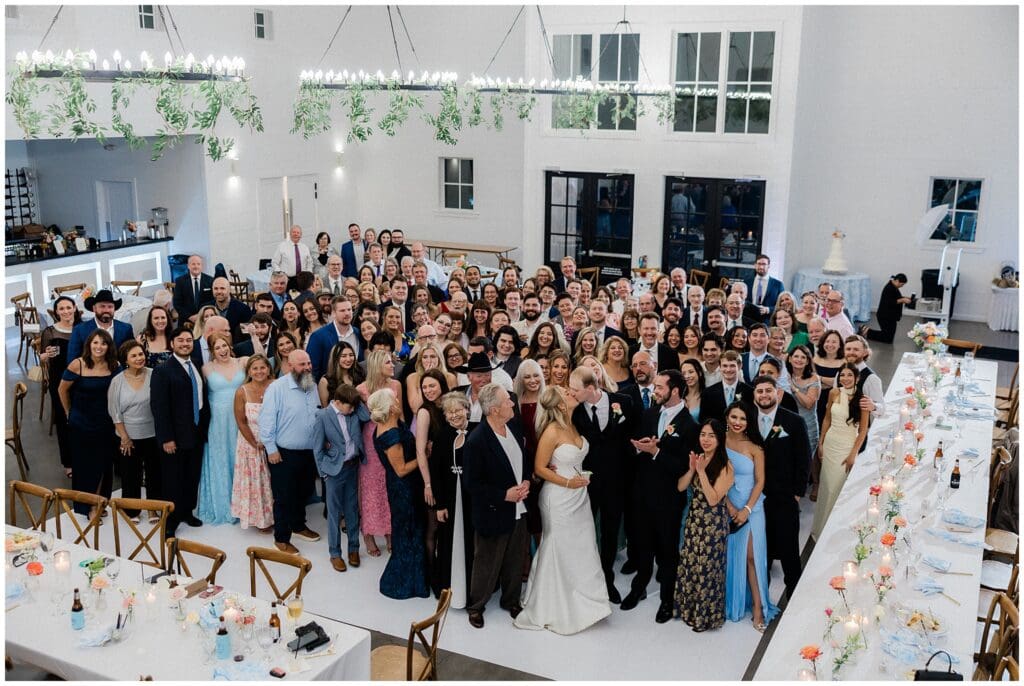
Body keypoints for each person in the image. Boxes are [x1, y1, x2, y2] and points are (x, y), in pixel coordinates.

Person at [514, 384, 611, 634]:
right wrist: (568, 481)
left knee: (583, 546)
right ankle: (553, 604)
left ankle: (588, 601)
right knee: (559, 546)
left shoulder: (573, 423)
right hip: (558, 498)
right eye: (567, 393)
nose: (572, 393)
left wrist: (578, 480)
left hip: (580, 495)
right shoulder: (552, 430)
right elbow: (540, 468)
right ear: (559, 404)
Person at [624, 370, 698, 623]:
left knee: (668, 549)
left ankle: (668, 598)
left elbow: (683, 466)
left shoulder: (690, 425)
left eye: (659, 387)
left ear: (675, 390)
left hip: (668, 498)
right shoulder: (650, 413)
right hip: (642, 491)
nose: (654, 391)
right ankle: (639, 586)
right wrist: (639, 447)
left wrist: (656, 452)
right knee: (642, 543)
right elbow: (636, 445)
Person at [464, 383, 531, 628]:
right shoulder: (477, 441)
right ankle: (476, 606)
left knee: (515, 557)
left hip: (519, 508)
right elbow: (472, 484)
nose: (512, 404)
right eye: (507, 402)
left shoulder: (512, 425)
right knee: (487, 562)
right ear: (493, 410)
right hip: (493, 511)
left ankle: (511, 600)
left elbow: (523, 458)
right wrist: (504, 495)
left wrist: (525, 480)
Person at [569, 366, 634, 604]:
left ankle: (607, 577)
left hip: (617, 482)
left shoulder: (624, 401)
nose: (571, 393)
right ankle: (585, 578)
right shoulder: (575, 412)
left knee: (609, 532)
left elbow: (632, 438)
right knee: (585, 529)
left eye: (575, 390)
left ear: (590, 388)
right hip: (587, 481)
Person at [752, 375, 810, 599]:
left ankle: (794, 598)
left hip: (785, 497)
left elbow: (803, 459)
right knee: (761, 551)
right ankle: (761, 600)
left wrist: (797, 493)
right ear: (754, 395)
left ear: (777, 393)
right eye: (760, 391)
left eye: (768, 390)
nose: (764, 395)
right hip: (757, 498)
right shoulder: (747, 420)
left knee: (789, 552)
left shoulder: (794, 421)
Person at [673, 418, 734, 632]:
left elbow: (714, 499)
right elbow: (681, 487)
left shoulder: (726, 466)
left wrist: (701, 472)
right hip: (694, 520)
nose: (705, 440)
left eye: (711, 435)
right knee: (690, 565)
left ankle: (706, 616)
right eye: (703, 435)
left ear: (720, 439)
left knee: (708, 570)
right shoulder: (699, 459)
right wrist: (692, 469)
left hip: (713, 525)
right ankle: (688, 611)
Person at [368, 387, 430, 599]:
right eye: (394, 399)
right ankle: (407, 582)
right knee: (409, 531)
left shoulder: (389, 425)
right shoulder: (391, 435)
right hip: (404, 489)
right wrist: (425, 457)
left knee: (408, 530)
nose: (398, 400)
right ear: (390, 407)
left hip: (403, 486)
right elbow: (401, 469)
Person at [722, 402, 779, 631]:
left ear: (750, 421)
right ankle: (733, 601)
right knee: (731, 555)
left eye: (743, 418)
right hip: (727, 506)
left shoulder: (755, 447)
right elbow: (714, 475)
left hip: (752, 507)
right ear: (727, 417)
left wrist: (746, 509)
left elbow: (760, 481)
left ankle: (758, 607)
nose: (737, 422)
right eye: (734, 417)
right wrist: (728, 506)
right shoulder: (719, 441)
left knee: (752, 557)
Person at [259, 350, 321, 553]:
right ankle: (281, 538)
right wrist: (271, 449)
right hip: (283, 453)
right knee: (284, 496)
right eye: (302, 364)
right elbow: (266, 421)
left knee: (303, 492)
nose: (307, 368)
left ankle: (298, 525)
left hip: (309, 451)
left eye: (309, 363)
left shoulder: (311, 385)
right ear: (290, 366)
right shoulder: (276, 388)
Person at [151, 327, 210, 536]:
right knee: (172, 480)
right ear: (172, 343)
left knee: (191, 476)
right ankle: (170, 522)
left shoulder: (195, 363)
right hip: (174, 436)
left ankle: (187, 512)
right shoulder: (163, 369)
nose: (185, 344)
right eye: (181, 341)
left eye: (188, 340)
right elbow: (159, 407)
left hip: (195, 432)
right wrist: (166, 438)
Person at [58, 329, 118, 517]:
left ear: (108, 346)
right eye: (95, 343)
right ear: (89, 345)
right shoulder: (78, 364)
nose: (99, 347)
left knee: (103, 465)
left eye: (103, 343)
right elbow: (62, 389)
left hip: (105, 422)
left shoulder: (114, 365)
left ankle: (100, 502)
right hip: (81, 423)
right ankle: (88, 506)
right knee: (85, 466)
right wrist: (69, 412)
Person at [313, 383, 370, 572]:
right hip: (334, 471)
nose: (352, 410)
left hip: (353, 466)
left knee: (352, 510)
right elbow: (317, 449)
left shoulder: (354, 411)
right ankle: (335, 553)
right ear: (337, 402)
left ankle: (353, 548)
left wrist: (357, 399)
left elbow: (366, 416)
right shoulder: (322, 416)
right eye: (349, 406)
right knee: (334, 513)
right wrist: (324, 473)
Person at [811, 363, 870, 540]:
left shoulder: (862, 399)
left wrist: (853, 454)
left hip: (846, 446)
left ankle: (831, 531)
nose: (845, 379)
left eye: (849, 375)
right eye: (842, 375)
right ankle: (819, 529)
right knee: (826, 486)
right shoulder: (834, 393)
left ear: (857, 378)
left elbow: (863, 430)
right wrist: (821, 443)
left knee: (835, 489)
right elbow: (827, 419)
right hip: (830, 443)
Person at [195, 332, 246, 525]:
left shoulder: (242, 362)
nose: (222, 350)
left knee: (239, 459)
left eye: (224, 346)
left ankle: (244, 507)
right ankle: (223, 506)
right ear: (212, 351)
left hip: (240, 417)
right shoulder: (206, 368)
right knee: (221, 459)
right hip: (217, 421)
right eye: (217, 348)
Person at [108, 340, 161, 522]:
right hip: (127, 436)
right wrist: (124, 437)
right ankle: (133, 510)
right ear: (126, 360)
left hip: (153, 434)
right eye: (134, 356)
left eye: (141, 354)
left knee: (155, 473)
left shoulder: (155, 375)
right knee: (131, 474)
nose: (139, 358)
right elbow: (114, 412)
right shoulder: (117, 381)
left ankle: (153, 509)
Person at [431, 392, 475, 608]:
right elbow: (436, 472)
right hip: (449, 497)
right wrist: (439, 504)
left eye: (458, 409)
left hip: (472, 498)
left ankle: (471, 588)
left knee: (472, 541)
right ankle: (447, 586)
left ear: (467, 409)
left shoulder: (478, 431)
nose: (455, 415)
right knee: (448, 541)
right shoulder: (441, 437)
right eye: (450, 411)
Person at [357, 350, 400, 556]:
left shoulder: (396, 385)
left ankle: (390, 532)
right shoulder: (362, 389)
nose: (393, 365)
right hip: (370, 439)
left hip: (393, 434)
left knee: (389, 484)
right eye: (388, 362)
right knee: (371, 488)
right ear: (377, 366)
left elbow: (401, 415)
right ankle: (368, 533)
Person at [231, 354, 275, 532]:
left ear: (268, 369)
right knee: (257, 482)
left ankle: (277, 515)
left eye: (262, 367)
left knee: (274, 482)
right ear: (249, 371)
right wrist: (255, 442)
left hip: (274, 440)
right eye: (255, 368)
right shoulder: (242, 391)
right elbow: (241, 421)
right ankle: (260, 519)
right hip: (251, 442)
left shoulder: (275, 385)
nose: (259, 371)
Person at [40, 295, 80, 477]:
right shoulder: (49, 332)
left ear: (74, 308)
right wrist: (45, 356)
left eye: (68, 307)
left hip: (81, 379)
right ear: (56, 312)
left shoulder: (82, 329)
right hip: (59, 381)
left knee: (82, 418)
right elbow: (42, 357)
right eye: (61, 309)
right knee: (64, 421)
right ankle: (69, 462)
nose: (65, 311)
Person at [66, 289, 135, 362]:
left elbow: (132, 353)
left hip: (120, 371)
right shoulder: (79, 330)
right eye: (102, 306)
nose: (106, 310)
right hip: (91, 372)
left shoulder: (126, 328)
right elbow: (72, 361)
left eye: (110, 307)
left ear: (114, 309)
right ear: (94, 308)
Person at [307, 296, 362, 381]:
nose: (347, 313)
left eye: (349, 309)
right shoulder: (318, 336)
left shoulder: (357, 333)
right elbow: (312, 369)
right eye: (342, 310)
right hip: (329, 388)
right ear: (333, 313)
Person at [787, 344, 821, 465]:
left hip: (807, 428)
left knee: (803, 463)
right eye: (796, 356)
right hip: (788, 426)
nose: (799, 360)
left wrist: (793, 388)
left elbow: (808, 404)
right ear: (790, 359)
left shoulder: (813, 379)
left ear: (807, 361)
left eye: (803, 357)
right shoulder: (785, 375)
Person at [701, 350, 752, 422]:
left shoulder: (749, 392)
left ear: (740, 366)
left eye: (732, 366)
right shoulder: (708, 393)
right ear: (720, 367)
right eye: (725, 366)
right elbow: (704, 420)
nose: (728, 370)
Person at [861, 273, 911, 343]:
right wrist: (903, 300)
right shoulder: (889, 288)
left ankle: (867, 331)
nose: (901, 286)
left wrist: (905, 298)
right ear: (897, 281)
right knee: (887, 338)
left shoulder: (893, 287)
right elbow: (890, 302)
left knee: (888, 337)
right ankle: (867, 331)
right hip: (885, 316)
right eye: (901, 284)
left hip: (890, 316)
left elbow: (896, 298)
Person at [318, 341, 366, 406]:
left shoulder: (360, 374)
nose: (348, 359)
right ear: (335, 358)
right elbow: (325, 409)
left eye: (351, 355)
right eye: (343, 356)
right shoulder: (325, 381)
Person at [172, 254, 214, 323]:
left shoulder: (210, 280)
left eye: (198, 264)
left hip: (205, 319)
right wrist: (190, 317)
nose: (196, 266)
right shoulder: (180, 281)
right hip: (186, 320)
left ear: (202, 266)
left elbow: (213, 301)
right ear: (188, 266)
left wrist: (201, 315)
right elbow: (177, 303)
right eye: (193, 264)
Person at [271, 225, 314, 291]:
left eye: (298, 233)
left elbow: (310, 263)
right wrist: (281, 275)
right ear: (290, 234)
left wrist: (308, 275)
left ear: (301, 235)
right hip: (288, 280)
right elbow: (274, 262)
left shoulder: (305, 247)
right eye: (294, 232)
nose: (296, 234)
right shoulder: (282, 246)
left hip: (302, 280)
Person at [744, 254, 784, 322]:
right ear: (755, 265)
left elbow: (782, 305)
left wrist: (768, 310)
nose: (761, 267)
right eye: (759, 264)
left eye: (764, 264)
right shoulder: (747, 282)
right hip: (748, 320)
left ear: (769, 266)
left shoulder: (778, 285)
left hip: (768, 321)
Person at [680, 358, 705, 423]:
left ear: (699, 373)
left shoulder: (707, 396)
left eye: (691, 372)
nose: (687, 376)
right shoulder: (679, 397)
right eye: (684, 373)